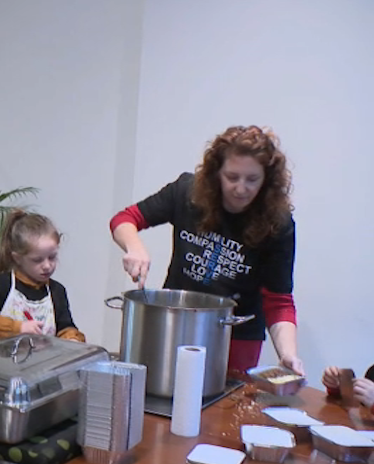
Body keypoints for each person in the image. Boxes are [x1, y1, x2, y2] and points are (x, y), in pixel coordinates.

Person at [109, 125, 303, 376]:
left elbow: (279, 301)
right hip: (175, 325)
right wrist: (134, 247)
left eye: (252, 180)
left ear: (267, 180)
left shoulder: (278, 223)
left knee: (225, 409)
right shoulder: (186, 192)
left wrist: (288, 355)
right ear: (216, 173)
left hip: (236, 336)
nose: (241, 188)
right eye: (232, 177)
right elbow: (124, 219)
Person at [0, 211, 86, 343]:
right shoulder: (1, 285)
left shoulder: (56, 291)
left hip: (42, 362)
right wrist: (17, 328)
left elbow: (65, 327)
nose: (47, 266)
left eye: (52, 257)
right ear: (17, 258)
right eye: (37, 260)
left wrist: (72, 340)